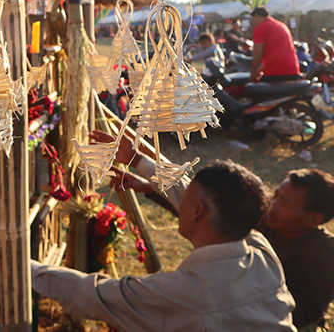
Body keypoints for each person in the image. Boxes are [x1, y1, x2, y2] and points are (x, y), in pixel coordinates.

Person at [92, 130, 334, 330]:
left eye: (285, 203)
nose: (274, 204)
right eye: (276, 195)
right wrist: (144, 177)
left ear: (313, 219)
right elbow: (204, 213)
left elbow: (305, 310)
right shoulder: (259, 220)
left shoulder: (327, 253)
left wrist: (238, 297)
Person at [31, 156, 296, 331]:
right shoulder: (261, 252)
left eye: (187, 201)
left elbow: (94, 295)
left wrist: (24, 266)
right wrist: (139, 161)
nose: (179, 205)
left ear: (197, 211)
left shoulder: (190, 291)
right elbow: (189, 194)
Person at [250, 7, 300, 82]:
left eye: (253, 20)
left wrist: (253, 73)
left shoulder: (260, 28)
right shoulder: (282, 25)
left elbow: (257, 54)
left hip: (275, 74)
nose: (254, 23)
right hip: (293, 71)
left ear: (257, 17)